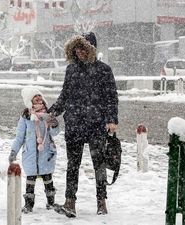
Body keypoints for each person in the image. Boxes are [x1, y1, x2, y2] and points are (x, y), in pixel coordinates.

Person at [48, 32, 119, 217]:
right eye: (77, 48)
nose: (79, 52)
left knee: (99, 165)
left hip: (96, 124)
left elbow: (111, 97)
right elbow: (65, 95)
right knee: (73, 165)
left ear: (91, 50)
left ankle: (101, 202)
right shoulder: (71, 70)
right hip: (74, 124)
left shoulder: (104, 70)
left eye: (83, 48)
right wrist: (53, 112)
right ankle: (70, 201)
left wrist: (112, 120)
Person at [9, 87, 60, 213]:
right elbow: (20, 137)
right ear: (29, 100)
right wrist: (14, 151)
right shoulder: (26, 116)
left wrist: (54, 124)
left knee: (48, 177)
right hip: (30, 154)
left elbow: (54, 132)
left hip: (46, 152)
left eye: (39, 95)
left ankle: (51, 202)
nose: (38, 98)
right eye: (34, 96)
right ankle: (29, 205)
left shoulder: (47, 113)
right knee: (30, 180)